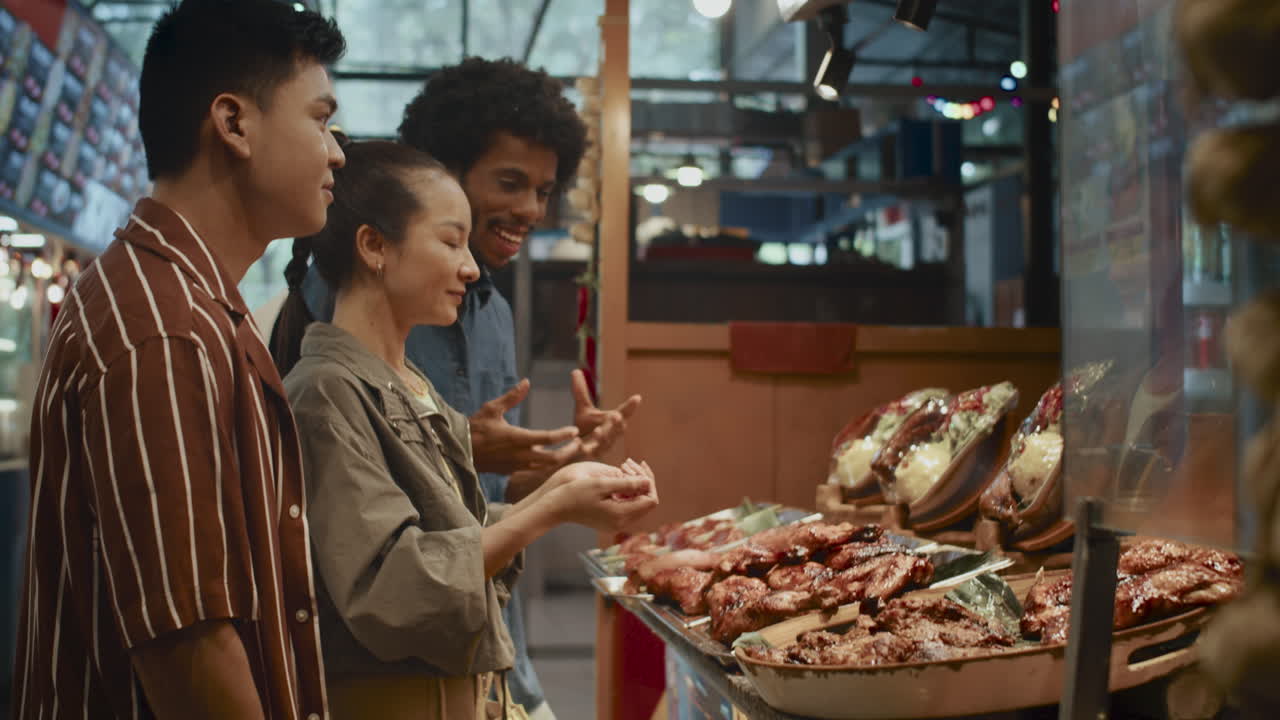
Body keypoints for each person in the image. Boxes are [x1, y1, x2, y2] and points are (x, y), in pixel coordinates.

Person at [10, 1, 346, 718]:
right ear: (233, 124)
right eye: (320, 120)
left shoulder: (190, 303)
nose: (336, 153)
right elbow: (190, 648)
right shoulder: (163, 325)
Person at [295, 57, 642, 717]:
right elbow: (381, 565)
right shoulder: (330, 349)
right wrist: (528, 487)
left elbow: (475, 506)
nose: (530, 209)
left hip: (487, 655)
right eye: (510, 182)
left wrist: (560, 473)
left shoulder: (477, 320)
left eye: (544, 190)